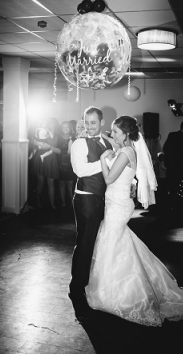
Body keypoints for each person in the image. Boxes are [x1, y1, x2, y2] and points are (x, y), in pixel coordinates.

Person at [84, 116, 183, 326]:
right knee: (117, 243)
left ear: (126, 134)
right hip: (116, 202)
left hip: (117, 205)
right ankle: (113, 288)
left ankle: (122, 293)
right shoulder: (125, 150)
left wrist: (102, 159)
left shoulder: (126, 152)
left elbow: (109, 179)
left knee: (112, 243)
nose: (113, 135)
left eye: (116, 132)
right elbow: (124, 168)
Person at [68, 107, 115, 305]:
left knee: (95, 241)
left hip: (101, 196)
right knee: (86, 242)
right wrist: (104, 162)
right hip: (86, 197)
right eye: (86, 122)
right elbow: (80, 170)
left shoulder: (107, 141)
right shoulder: (80, 144)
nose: (89, 126)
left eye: (93, 122)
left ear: (102, 122)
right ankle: (77, 286)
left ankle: (89, 281)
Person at [32, 118, 61, 209]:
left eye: (53, 123)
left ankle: (52, 204)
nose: (51, 125)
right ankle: (37, 202)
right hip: (41, 158)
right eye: (50, 123)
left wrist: (50, 147)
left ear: (56, 125)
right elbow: (35, 143)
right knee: (40, 181)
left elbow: (59, 151)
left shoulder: (57, 135)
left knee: (51, 182)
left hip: (51, 159)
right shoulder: (42, 132)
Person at [163, 119, 183, 196]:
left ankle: (169, 200)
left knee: (171, 185)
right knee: (176, 186)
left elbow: (165, 148)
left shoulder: (172, 135)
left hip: (172, 165)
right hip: (178, 166)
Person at [57, 121, 77, 208]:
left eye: (67, 127)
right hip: (60, 163)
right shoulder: (58, 137)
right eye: (63, 127)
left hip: (71, 163)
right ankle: (63, 202)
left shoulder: (73, 138)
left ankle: (71, 201)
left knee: (70, 184)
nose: (65, 129)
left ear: (70, 128)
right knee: (62, 183)